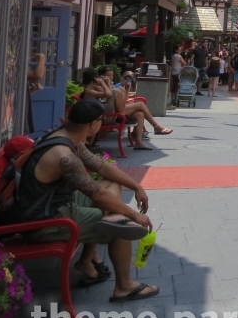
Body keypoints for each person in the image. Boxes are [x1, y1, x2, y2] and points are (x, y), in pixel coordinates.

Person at [8, 97, 158, 302]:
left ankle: (87, 259)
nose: (102, 123)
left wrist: (136, 186)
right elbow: (96, 194)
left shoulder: (67, 137)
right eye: (101, 119)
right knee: (123, 226)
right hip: (43, 221)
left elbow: (102, 167)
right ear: (92, 124)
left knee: (112, 187)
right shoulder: (65, 156)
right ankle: (124, 286)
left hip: (54, 203)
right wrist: (131, 214)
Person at [85, 67, 172, 150]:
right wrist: (106, 84)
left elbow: (123, 99)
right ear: (99, 77)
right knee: (139, 103)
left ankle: (138, 143)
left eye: (111, 75)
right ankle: (156, 127)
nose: (110, 77)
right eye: (107, 75)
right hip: (106, 116)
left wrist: (127, 88)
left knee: (139, 114)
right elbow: (109, 94)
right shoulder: (95, 87)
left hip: (113, 112)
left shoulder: (106, 85)